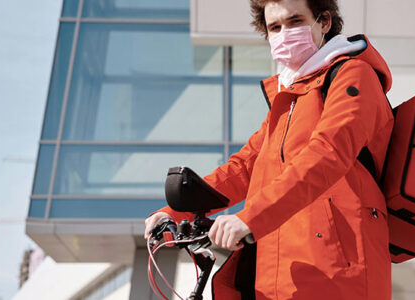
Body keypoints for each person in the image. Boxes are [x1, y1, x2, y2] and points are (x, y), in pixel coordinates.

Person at [144, 0, 394, 298]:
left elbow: (328, 154)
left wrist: (249, 217)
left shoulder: (353, 76)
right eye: (275, 27)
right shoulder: (290, 97)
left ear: (324, 22)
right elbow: (245, 167)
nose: (285, 33)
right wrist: (175, 211)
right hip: (280, 268)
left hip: (335, 269)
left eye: (295, 21)